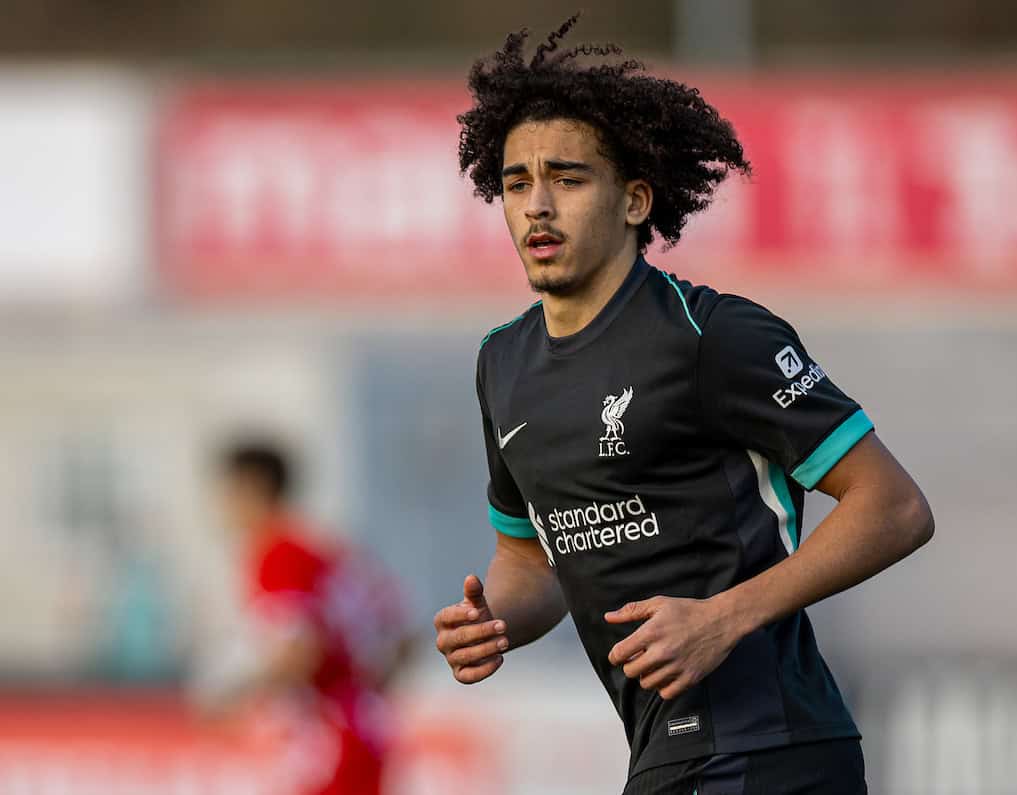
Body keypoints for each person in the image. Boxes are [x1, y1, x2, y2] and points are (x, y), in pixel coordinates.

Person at [434, 16, 935, 795]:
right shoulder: (501, 363)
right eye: (516, 182)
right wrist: (493, 620)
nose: (537, 205)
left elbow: (895, 507)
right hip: (668, 755)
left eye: (567, 179)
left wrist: (723, 617)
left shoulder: (713, 335)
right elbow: (530, 561)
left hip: (771, 746)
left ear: (636, 200)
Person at [198, 440, 413, 795]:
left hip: (326, 742)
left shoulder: (276, 553)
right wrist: (363, 692)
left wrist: (232, 695)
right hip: (364, 732)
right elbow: (403, 636)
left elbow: (300, 651)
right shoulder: (327, 550)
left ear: (252, 487)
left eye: (227, 493)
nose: (221, 507)